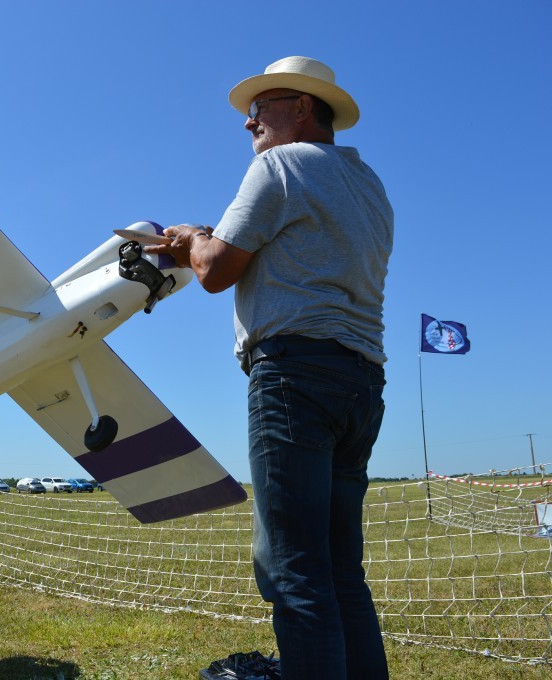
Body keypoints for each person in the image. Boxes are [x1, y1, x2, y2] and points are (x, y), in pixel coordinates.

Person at [149, 57, 392, 679]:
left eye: (261, 108)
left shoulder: (278, 165)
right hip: (362, 380)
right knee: (341, 570)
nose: (250, 122)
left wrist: (189, 239)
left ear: (302, 108)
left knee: (293, 570)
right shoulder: (370, 187)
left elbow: (214, 272)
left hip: (293, 375)